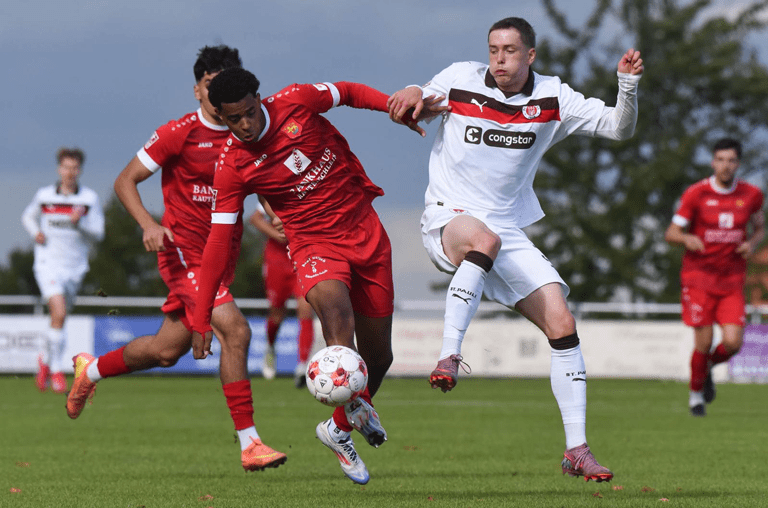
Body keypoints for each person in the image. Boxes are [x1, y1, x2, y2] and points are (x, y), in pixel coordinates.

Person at [387, 17, 644, 482]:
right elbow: (423, 97)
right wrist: (410, 93)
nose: (499, 59)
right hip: (449, 216)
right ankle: (449, 355)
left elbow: (618, 129)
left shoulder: (554, 96)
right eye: (493, 50)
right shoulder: (461, 79)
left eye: (509, 50)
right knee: (484, 239)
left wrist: (626, 86)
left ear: (530, 55)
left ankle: (576, 450)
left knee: (562, 322)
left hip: (505, 229)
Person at [190, 67, 434, 484]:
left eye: (249, 112)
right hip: (313, 246)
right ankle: (355, 407)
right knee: (338, 319)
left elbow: (349, 91)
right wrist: (199, 318)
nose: (245, 125)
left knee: (380, 358)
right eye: (233, 119)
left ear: (259, 98)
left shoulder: (297, 101)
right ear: (221, 117)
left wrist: (392, 108)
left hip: (366, 232)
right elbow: (217, 242)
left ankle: (338, 429)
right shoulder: (232, 165)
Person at [64, 45, 287, 472]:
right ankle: (250, 443)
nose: (219, 92)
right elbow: (125, 179)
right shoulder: (179, 133)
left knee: (167, 351)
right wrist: (149, 223)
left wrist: (276, 213)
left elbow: (260, 181)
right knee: (236, 333)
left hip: (221, 257)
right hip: (183, 252)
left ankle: (90, 370)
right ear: (198, 90)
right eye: (210, 84)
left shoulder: (247, 131)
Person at [664, 137, 764, 417]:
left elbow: (760, 228)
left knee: (733, 343)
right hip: (699, 279)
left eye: (731, 160)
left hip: (732, 280)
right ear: (712, 162)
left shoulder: (752, 195)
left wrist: (752, 243)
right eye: (720, 159)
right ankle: (696, 396)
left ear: (738, 164)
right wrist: (687, 239)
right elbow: (671, 233)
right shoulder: (697, 194)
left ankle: (706, 366)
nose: (725, 165)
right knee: (704, 342)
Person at [22, 147, 105, 394]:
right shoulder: (45, 195)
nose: (70, 172)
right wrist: (35, 232)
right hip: (47, 264)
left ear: (80, 170)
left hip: (75, 268)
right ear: (59, 169)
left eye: (75, 168)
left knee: (60, 318)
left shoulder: (88, 199)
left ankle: (45, 362)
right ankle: (57, 370)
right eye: (66, 167)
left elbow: (98, 234)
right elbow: (28, 216)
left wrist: (81, 226)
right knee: (57, 311)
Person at [248, 201, 315, 387]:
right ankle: (270, 347)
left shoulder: (309, 189)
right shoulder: (278, 188)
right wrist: (278, 235)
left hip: (301, 258)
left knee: (306, 309)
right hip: (276, 261)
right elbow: (255, 218)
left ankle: (302, 366)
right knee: (276, 314)